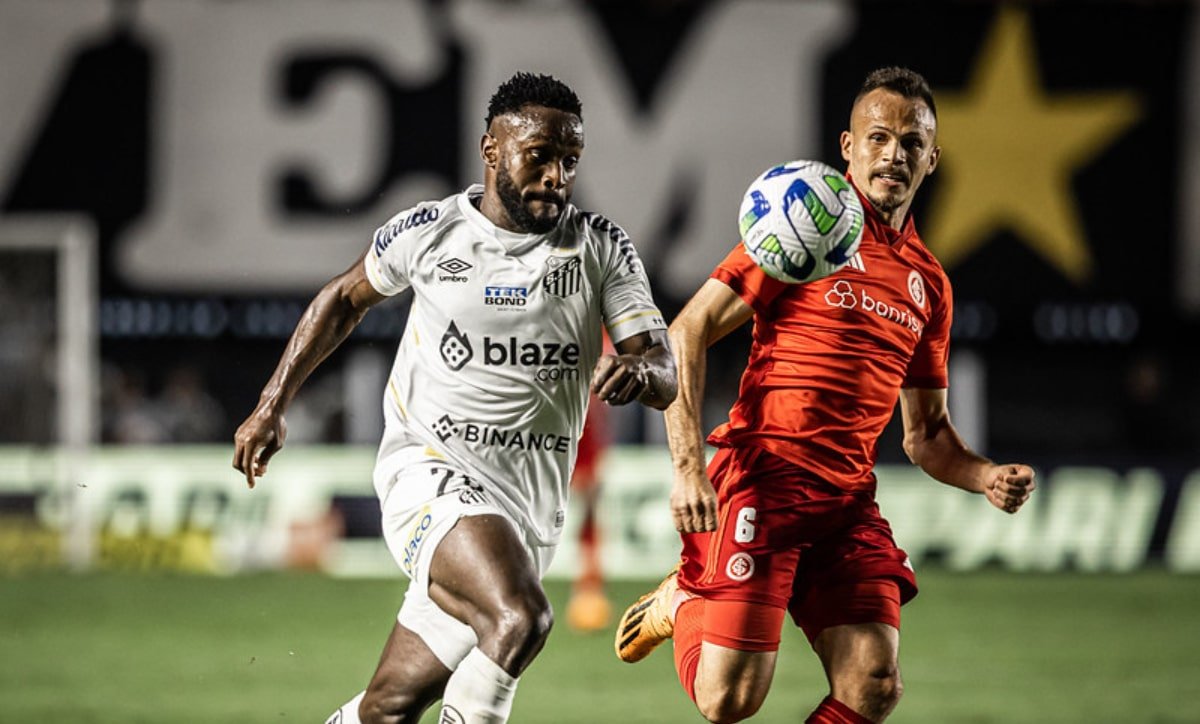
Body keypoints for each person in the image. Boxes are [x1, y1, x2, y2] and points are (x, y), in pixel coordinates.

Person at [233, 71, 677, 724]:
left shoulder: (601, 248)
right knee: (520, 616)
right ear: (491, 149)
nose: (557, 175)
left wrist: (642, 374)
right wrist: (272, 402)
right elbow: (343, 298)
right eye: (540, 157)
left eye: (570, 161)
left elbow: (662, 366)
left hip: (526, 511)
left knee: (388, 708)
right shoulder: (430, 232)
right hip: (429, 474)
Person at [613, 66, 1036, 724]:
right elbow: (688, 329)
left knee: (874, 682)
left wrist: (983, 475)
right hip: (762, 478)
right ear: (848, 146)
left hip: (843, 504)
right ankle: (681, 600)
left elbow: (926, 436)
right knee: (729, 700)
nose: (894, 153)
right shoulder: (807, 221)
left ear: (932, 158)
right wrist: (689, 469)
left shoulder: (930, 283)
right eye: (878, 137)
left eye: (911, 143)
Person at [565, 335, 614, 632]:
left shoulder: (604, 337)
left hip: (586, 433)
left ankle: (589, 585)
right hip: (554, 430)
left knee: (590, 511)